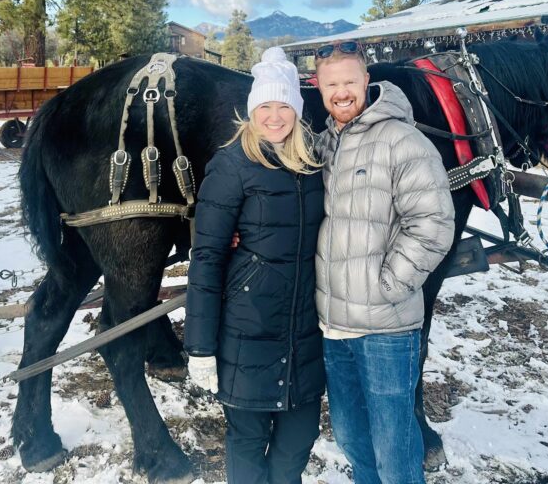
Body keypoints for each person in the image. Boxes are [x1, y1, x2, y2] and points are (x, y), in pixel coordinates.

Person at [313, 40, 455, 484]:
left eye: (349, 82)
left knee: (395, 448)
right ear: (319, 89)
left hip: (386, 332)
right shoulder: (327, 144)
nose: (341, 92)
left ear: (366, 82)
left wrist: (388, 286)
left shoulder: (402, 139)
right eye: (331, 84)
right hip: (334, 329)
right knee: (354, 441)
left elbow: (433, 223)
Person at [185, 47, 326, 484]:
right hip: (248, 332)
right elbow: (206, 258)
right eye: (265, 105)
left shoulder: (315, 163)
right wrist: (201, 347)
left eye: (284, 105)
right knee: (247, 446)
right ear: (250, 111)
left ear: (298, 111)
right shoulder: (231, 165)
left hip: (305, 331)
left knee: (295, 447)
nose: (275, 116)